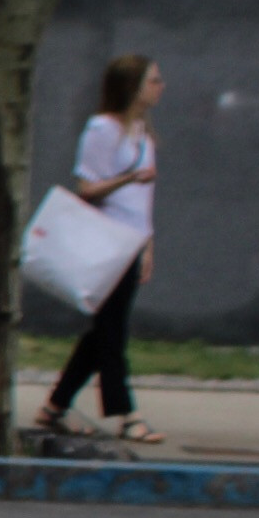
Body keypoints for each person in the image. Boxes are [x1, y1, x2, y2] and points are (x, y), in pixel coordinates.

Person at [37, 54, 163, 443]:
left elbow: (145, 201)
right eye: (153, 80)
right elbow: (87, 188)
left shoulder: (142, 132)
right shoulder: (103, 129)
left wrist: (148, 245)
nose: (160, 87)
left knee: (104, 331)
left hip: (131, 243)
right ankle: (126, 413)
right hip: (106, 243)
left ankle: (56, 404)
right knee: (112, 331)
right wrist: (128, 178)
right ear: (132, 86)